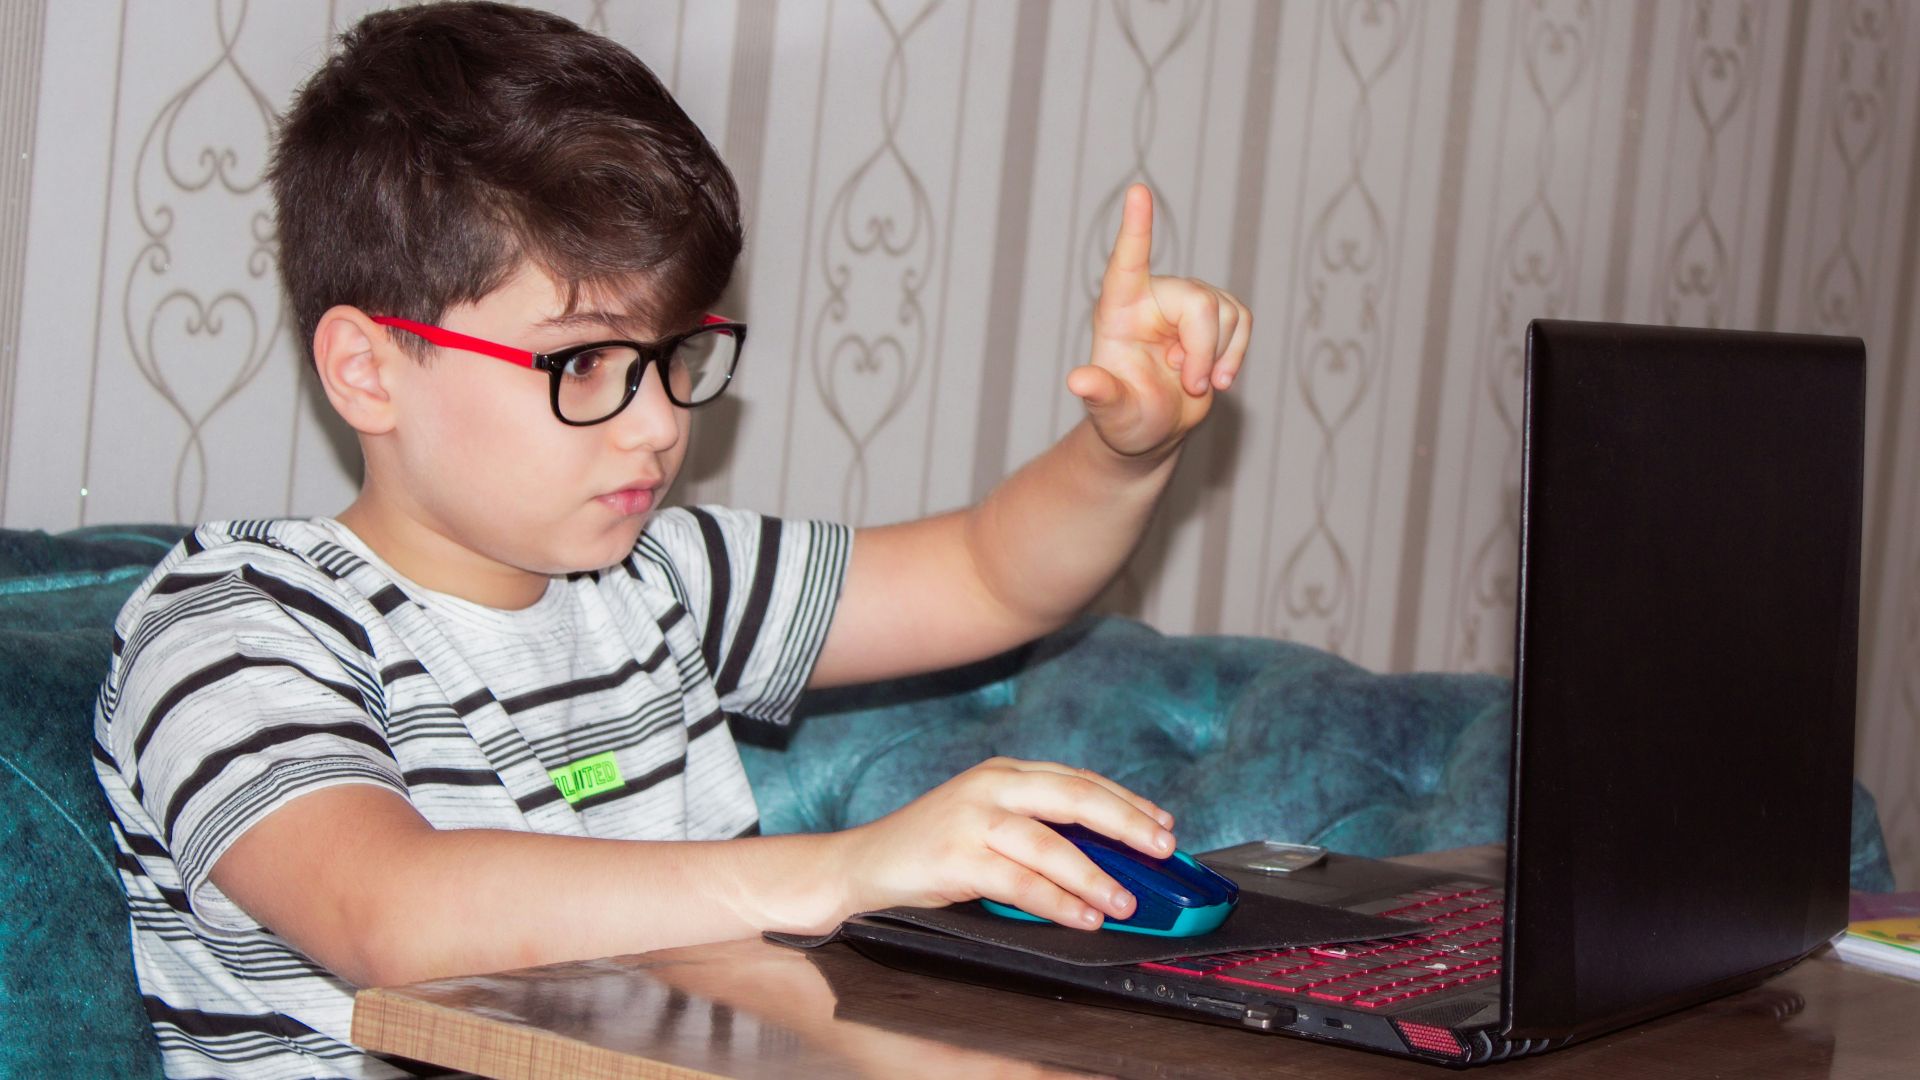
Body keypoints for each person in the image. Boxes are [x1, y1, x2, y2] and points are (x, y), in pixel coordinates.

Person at [91, 3, 1250, 1076]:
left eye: (674, 355)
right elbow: (392, 914)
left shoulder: (656, 577)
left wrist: (1123, 451)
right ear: (366, 370)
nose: (657, 423)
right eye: (585, 363)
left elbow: (993, 577)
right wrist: (848, 869)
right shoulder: (235, 622)